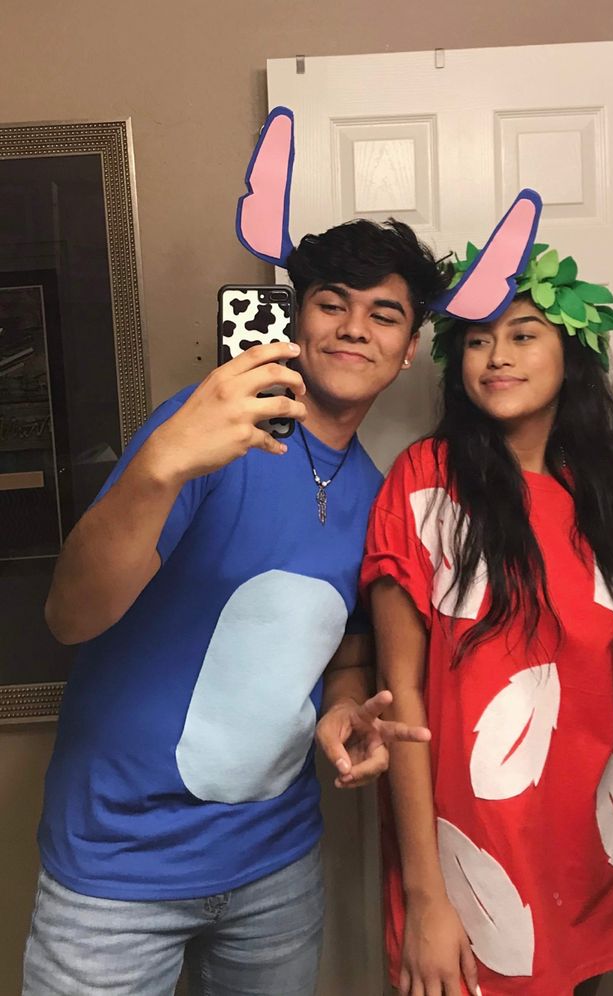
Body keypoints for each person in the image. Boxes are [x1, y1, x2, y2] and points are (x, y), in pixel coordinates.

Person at [22, 216, 445, 996]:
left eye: (384, 314)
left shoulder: (379, 497)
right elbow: (69, 618)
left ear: (409, 347)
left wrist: (345, 706)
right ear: (294, 318)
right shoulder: (201, 437)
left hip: (274, 870)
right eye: (331, 303)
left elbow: (345, 650)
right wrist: (160, 467)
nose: (354, 328)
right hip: (116, 871)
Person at [361, 241, 613, 996]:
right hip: (468, 878)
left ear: (569, 353)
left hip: (598, 862)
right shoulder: (423, 484)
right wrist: (423, 897)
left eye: (521, 334)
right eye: (476, 339)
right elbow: (398, 698)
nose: (495, 356)